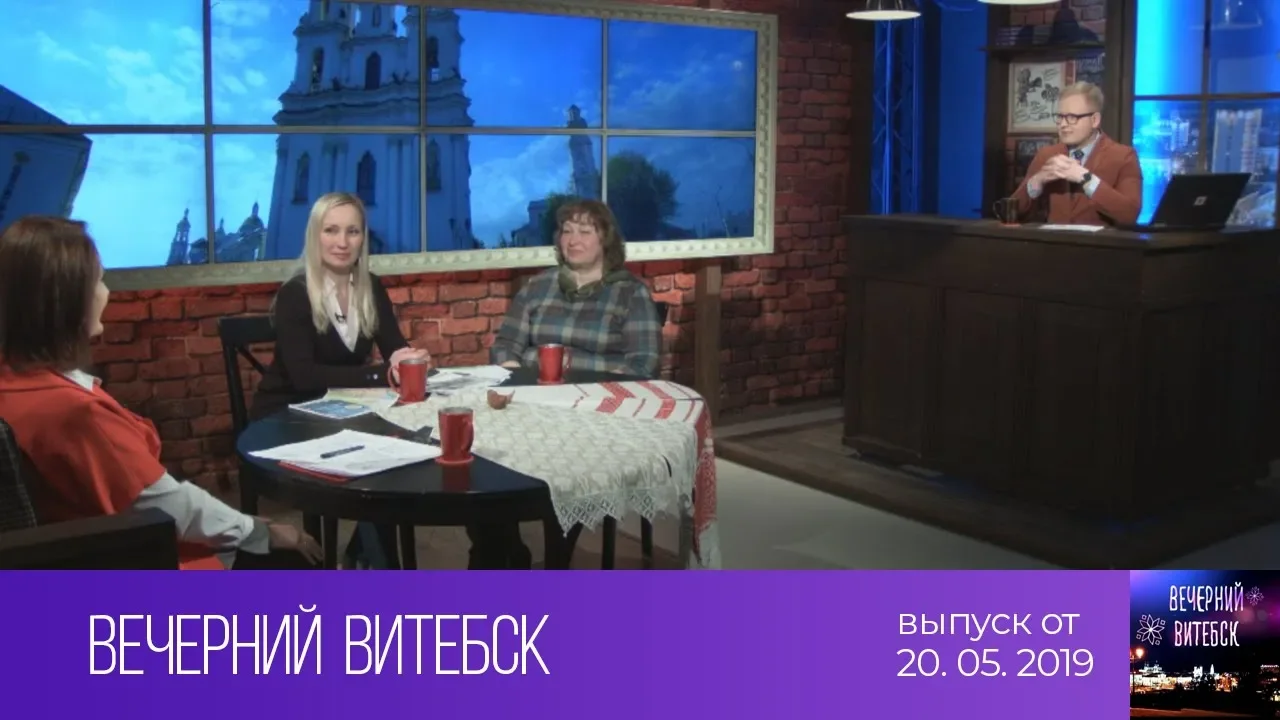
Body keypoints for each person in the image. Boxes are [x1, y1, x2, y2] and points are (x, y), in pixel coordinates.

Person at [0, 216, 322, 570]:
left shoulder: (15, 382)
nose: (106, 292)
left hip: (83, 553)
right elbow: (165, 504)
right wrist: (257, 530)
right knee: (294, 557)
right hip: (129, 559)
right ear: (65, 301)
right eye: (98, 280)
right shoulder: (72, 413)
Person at [480, 199, 662, 569]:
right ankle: (503, 551)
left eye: (584, 231)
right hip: (533, 406)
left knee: (564, 471)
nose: (573, 240)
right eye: (567, 231)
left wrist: (559, 365)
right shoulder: (538, 287)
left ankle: (555, 565)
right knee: (482, 459)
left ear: (605, 240)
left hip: (595, 413)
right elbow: (505, 347)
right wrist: (522, 371)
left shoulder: (630, 293)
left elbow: (642, 367)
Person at [251, 192, 430, 569]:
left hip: (343, 410)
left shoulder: (371, 286)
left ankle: (367, 559)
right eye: (331, 230)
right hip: (286, 415)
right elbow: (305, 377)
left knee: (401, 453)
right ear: (314, 235)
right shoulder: (295, 293)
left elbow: (394, 347)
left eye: (352, 231)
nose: (342, 242)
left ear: (363, 238)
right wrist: (380, 374)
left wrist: (408, 360)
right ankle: (375, 567)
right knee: (378, 462)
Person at [1013, 82, 1143, 226]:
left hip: (1100, 241)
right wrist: (1036, 181)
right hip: (1052, 240)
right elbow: (1012, 213)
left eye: (1072, 117)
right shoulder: (1046, 155)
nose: (1063, 124)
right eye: (1060, 117)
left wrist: (1085, 178)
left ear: (1094, 120)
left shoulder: (1124, 156)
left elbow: (1129, 214)